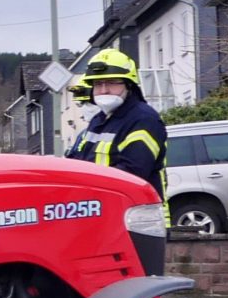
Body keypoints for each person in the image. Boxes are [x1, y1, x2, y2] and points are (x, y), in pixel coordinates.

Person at [66, 47, 168, 195]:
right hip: (101, 207)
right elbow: (78, 162)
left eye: (112, 83)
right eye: (98, 84)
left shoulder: (143, 120)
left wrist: (87, 186)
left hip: (135, 211)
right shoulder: (99, 120)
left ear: (128, 84)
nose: (104, 90)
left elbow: (133, 172)